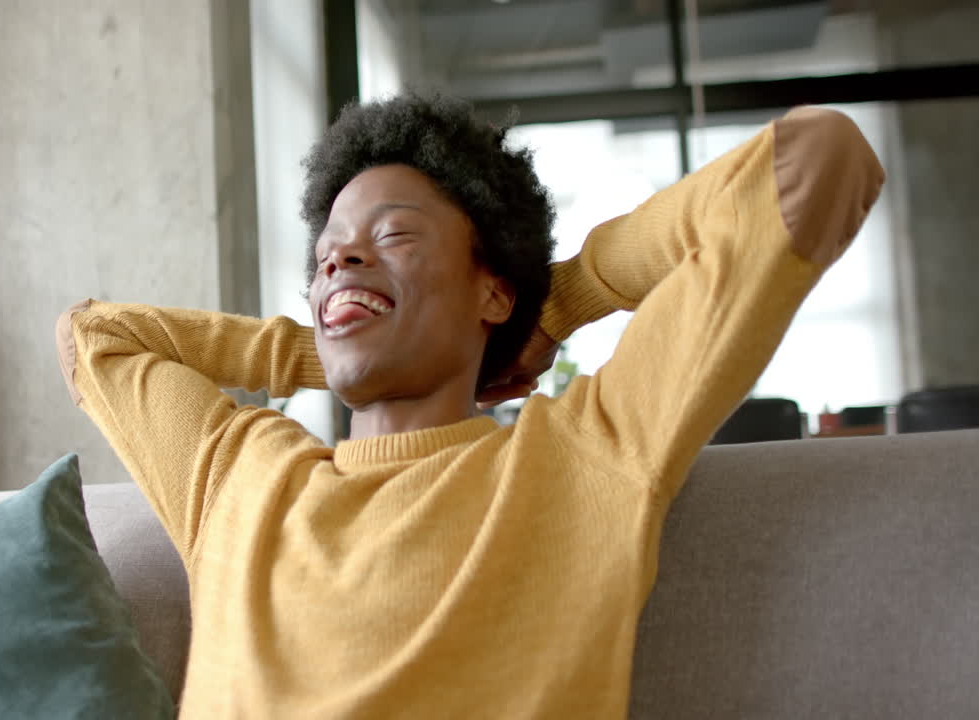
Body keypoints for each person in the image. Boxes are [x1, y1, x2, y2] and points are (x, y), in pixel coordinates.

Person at [56, 94, 884, 718]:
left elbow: (818, 161)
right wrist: (329, 346)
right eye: (327, 255)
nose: (339, 259)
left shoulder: (584, 457)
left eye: (393, 235)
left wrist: (558, 303)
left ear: (491, 289)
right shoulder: (237, 476)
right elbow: (93, 338)